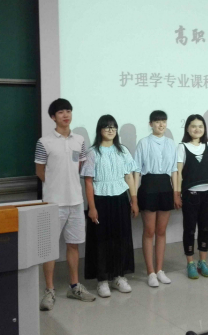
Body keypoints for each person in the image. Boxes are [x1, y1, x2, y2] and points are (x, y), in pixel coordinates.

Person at [35, 99, 96, 311]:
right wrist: (55, 185)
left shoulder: (79, 140)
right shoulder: (44, 142)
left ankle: (74, 286)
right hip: (53, 203)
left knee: (74, 245)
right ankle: (49, 290)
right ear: (53, 117)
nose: (65, 115)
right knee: (49, 248)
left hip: (76, 201)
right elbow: (40, 171)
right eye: (61, 112)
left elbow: (80, 166)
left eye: (68, 111)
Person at [81, 115, 139, 298]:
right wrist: (92, 207)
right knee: (101, 240)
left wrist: (134, 200)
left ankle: (119, 276)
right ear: (100, 130)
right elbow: (88, 181)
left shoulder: (123, 150)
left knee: (121, 237)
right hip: (100, 200)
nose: (111, 130)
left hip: (120, 198)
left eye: (113, 127)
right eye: (107, 127)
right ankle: (102, 280)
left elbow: (129, 176)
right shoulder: (92, 153)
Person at [134, 110, 177, 287]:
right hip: (149, 186)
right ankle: (150, 272)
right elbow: (137, 171)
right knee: (149, 231)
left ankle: (160, 270)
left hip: (166, 187)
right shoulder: (143, 143)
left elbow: (174, 170)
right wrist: (134, 197)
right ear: (150, 124)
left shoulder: (171, 143)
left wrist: (176, 192)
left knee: (161, 231)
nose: (161, 125)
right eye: (157, 121)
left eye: (163, 121)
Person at [175, 114, 208, 279]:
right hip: (190, 195)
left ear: (204, 129)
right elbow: (178, 173)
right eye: (193, 126)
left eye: (200, 126)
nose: (197, 129)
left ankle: (202, 262)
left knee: (205, 229)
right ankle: (190, 263)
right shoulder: (182, 147)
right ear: (187, 128)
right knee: (189, 230)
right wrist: (177, 193)